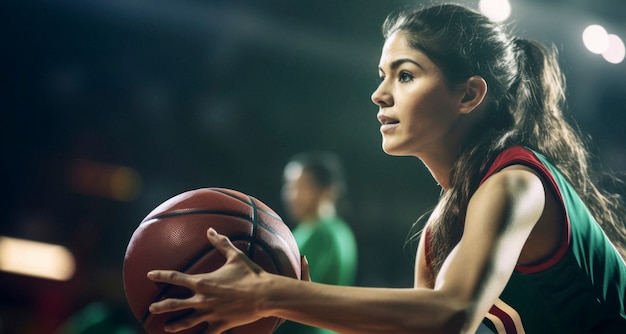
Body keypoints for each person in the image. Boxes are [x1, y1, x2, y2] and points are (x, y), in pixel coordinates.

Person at [146, 3, 626, 333]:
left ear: (469, 95)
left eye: (406, 74)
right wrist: (302, 301)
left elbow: (452, 314)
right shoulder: (440, 235)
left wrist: (270, 293)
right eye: (383, 76)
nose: (380, 94)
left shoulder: (517, 185)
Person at [275, 151, 358, 334]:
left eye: (302, 186)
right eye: (289, 186)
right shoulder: (340, 230)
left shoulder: (320, 233)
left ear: (328, 189)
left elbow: (289, 296)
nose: (292, 195)